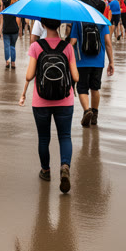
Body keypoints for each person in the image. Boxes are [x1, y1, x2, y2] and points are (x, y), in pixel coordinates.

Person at [19, 18, 79, 194]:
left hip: (41, 100)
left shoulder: (37, 47)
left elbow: (29, 75)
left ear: (43, 25)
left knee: (44, 138)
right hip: (65, 100)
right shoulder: (67, 47)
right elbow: (75, 77)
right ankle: (65, 166)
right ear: (59, 24)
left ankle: (45, 171)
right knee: (65, 136)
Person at [70, 21, 114, 127]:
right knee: (95, 88)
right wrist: (111, 62)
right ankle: (94, 115)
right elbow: (108, 42)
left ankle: (86, 111)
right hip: (98, 61)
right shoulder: (101, 21)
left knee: (82, 88)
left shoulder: (78, 21)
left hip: (81, 61)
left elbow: (73, 41)